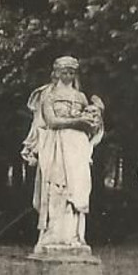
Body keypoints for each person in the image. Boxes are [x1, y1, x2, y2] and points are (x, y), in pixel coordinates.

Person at [20, 55, 104, 252]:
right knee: (58, 187)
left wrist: (95, 119)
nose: (68, 74)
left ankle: (76, 236)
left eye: (72, 71)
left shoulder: (81, 97)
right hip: (57, 144)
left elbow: (90, 126)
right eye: (64, 71)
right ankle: (54, 236)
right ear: (56, 72)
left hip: (78, 146)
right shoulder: (48, 95)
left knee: (78, 186)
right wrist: (78, 122)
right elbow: (51, 121)